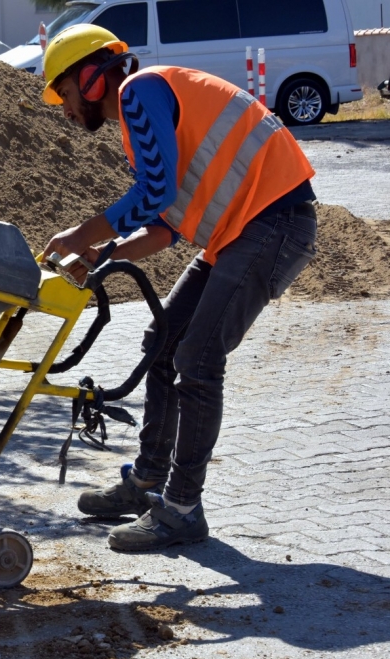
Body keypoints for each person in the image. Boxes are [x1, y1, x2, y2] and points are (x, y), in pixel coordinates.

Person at [39, 24, 318, 551]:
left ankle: (183, 509)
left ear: (92, 78)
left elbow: (152, 194)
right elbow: (165, 224)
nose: (67, 110)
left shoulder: (138, 92)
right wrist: (103, 255)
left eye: (66, 94)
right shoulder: (140, 115)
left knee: (198, 357)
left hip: (274, 222)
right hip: (242, 232)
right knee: (162, 343)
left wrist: (80, 234)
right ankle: (147, 484)